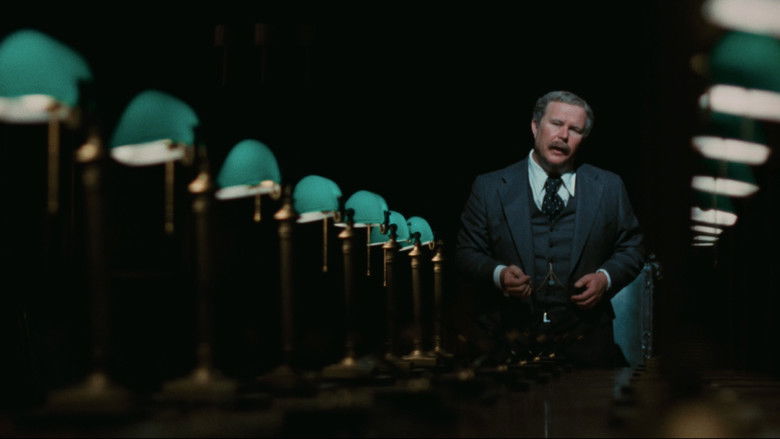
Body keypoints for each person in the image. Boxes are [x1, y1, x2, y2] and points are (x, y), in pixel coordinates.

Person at [456, 90, 644, 368]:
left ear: (583, 137)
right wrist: (499, 275)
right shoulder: (489, 187)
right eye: (556, 124)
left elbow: (633, 247)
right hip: (507, 346)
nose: (563, 136)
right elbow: (466, 252)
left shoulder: (609, 186)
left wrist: (605, 279)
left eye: (575, 129)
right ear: (535, 126)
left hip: (588, 348)